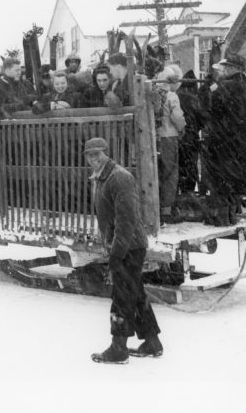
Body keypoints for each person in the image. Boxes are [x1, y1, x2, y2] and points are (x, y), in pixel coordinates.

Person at [85, 137, 162, 364]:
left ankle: (119, 348)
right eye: (89, 155)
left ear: (107, 153)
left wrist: (117, 254)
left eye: (97, 153)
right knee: (135, 295)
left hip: (129, 247)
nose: (93, 158)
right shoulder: (102, 177)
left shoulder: (119, 178)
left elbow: (126, 221)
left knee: (121, 298)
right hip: (124, 245)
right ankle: (152, 342)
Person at [203, 53, 246, 226]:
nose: (224, 70)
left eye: (226, 67)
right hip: (241, 141)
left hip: (223, 141)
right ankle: (232, 214)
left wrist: (209, 87)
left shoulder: (224, 87)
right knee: (234, 179)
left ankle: (221, 218)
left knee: (220, 180)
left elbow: (210, 109)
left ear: (234, 68)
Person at [155, 65, 186, 224]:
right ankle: (167, 209)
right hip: (169, 137)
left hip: (154, 137)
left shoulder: (152, 93)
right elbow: (177, 117)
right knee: (170, 172)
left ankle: (155, 206)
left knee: (156, 172)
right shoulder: (171, 96)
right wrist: (182, 129)